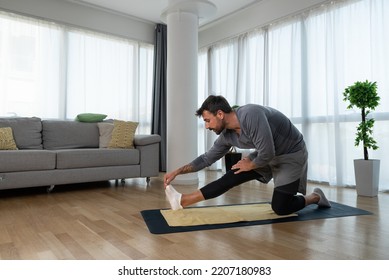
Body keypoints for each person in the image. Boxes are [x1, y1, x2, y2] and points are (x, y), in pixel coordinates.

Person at [164, 95, 331, 215]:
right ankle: (183, 200)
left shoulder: (251, 114)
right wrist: (177, 171)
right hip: (266, 154)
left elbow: (268, 152)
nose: (207, 126)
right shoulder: (227, 136)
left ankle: (315, 197)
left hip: (291, 154)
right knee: (232, 175)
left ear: (220, 114)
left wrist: (251, 164)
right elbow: (207, 159)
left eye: (208, 120)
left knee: (281, 208)